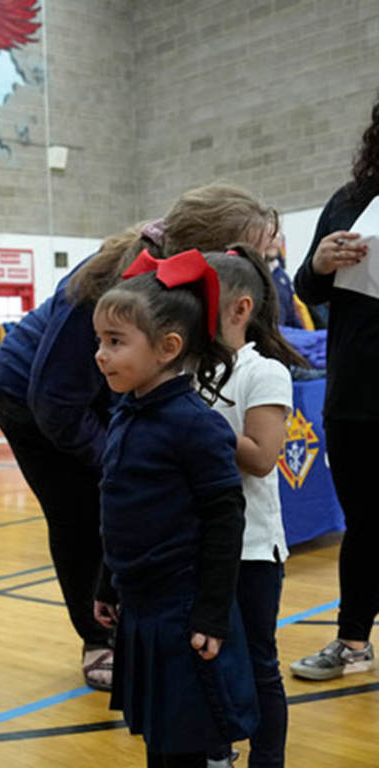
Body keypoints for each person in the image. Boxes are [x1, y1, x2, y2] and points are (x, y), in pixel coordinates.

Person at [0, 182, 278, 691]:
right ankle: (97, 637)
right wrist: (122, 457)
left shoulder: (184, 288)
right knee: (86, 512)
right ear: (203, 250)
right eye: (244, 252)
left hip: (94, 394)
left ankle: (136, 621)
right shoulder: (111, 285)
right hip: (34, 401)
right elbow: (55, 402)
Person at [91, 249, 257, 768]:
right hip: (140, 606)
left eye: (115, 342)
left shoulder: (194, 425)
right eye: (100, 341)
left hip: (184, 611)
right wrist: (106, 582)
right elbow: (117, 508)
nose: (101, 354)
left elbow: (226, 518)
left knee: (186, 742)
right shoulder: (125, 414)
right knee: (161, 740)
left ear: (168, 347)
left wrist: (211, 612)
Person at [206, 247, 307, 768]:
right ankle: (216, 753)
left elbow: (263, 458)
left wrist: (191, 425)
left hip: (251, 549)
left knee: (258, 664)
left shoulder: (263, 371)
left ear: (240, 309)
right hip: (198, 545)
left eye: (200, 299)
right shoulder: (183, 369)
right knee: (206, 660)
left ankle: (267, 759)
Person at [291, 92, 379, 681]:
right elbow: (307, 286)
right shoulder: (350, 202)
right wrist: (320, 262)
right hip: (357, 397)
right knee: (365, 524)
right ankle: (352, 643)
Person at [262, 235, 304, 329]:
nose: (272, 241)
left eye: (276, 236)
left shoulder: (283, 278)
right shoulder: (249, 272)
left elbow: (291, 318)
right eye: (268, 235)